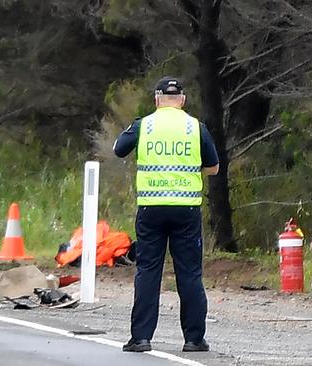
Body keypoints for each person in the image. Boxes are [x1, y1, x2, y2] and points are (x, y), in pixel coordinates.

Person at [113, 76, 219, 353]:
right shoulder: (195, 127)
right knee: (190, 274)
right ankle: (194, 339)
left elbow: (118, 150)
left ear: (157, 100)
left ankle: (141, 337)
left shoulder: (144, 125)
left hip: (151, 208)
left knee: (148, 271)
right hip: (186, 209)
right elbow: (214, 167)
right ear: (182, 100)